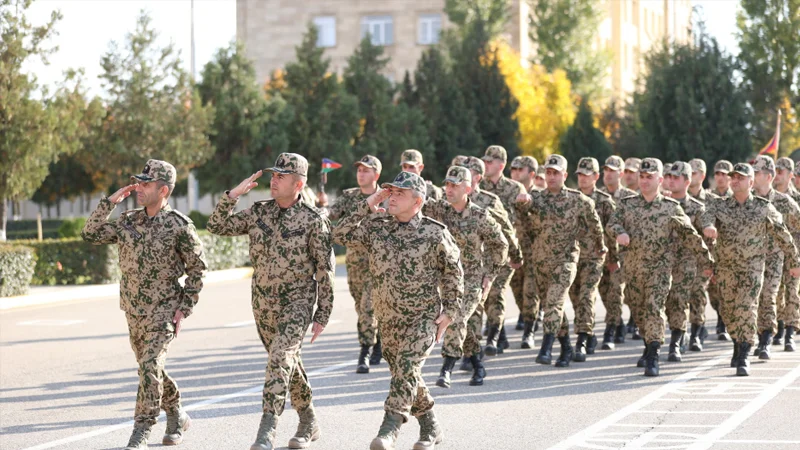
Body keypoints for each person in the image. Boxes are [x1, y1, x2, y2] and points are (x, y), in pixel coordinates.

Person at [207, 153, 334, 450]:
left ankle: (267, 429)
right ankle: (308, 420)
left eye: (281, 176)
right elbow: (217, 226)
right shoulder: (258, 212)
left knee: (279, 357)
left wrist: (322, 314)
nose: (273, 180)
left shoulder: (313, 221)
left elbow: (325, 271)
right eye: (273, 175)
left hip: (298, 302)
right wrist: (233, 195)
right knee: (285, 361)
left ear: (298, 184)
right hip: (263, 303)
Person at [333, 171, 464, 450]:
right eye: (390, 191)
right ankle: (431, 427)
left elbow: (454, 273)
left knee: (406, 366)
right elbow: (339, 232)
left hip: (422, 319)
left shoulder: (434, 232)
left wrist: (450, 311)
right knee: (406, 375)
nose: (392, 197)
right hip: (388, 319)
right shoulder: (377, 225)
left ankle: (389, 428)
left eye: (399, 193)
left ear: (417, 202)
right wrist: (370, 202)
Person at [81, 159, 206, 450]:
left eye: (146, 184)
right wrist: (109, 202)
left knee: (150, 365)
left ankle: (141, 430)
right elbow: (90, 233)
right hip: (133, 309)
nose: (139, 187)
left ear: (163, 190)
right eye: (139, 181)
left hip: (164, 310)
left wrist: (184, 308)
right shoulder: (128, 220)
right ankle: (176, 413)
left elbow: (198, 268)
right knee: (149, 370)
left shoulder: (179, 226)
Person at [607, 158, 713, 377]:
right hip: (634, 271)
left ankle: (653, 355)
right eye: (642, 177)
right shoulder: (627, 204)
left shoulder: (670, 208)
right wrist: (619, 232)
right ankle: (649, 344)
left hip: (660, 271)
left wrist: (707, 261)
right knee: (639, 311)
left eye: (650, 177)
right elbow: (611, 223)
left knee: (654, 308)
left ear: (660, 179)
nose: (645, 181)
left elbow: (690, 235)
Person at [702, 162, 800, 376]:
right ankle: (737, 342)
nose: (735, 180)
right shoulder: (720, 205)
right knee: (728, 310)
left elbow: (784, 235)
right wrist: (708, 227)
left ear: (750, 182)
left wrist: (794, 262)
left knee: (746, 308)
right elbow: (706, 216)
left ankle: (744, 353)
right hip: (726, 268)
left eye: (740, 177)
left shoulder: (763, 207)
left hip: (752, 268)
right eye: (733, 177)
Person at [515, 155, 607, 368]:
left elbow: (595, 224)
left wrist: (600, 246)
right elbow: (521, 215)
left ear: (564, 175)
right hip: (540, 263)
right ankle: (566, 346)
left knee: (555, 302)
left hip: (566, 261)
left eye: (556, 172)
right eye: (548, 172)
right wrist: (521, 202)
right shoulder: (536, 199)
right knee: (551, 306)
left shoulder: (578, 200)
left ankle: (546, 347)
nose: (551, 176)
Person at [423, 166, 508, 388]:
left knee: (456, 318)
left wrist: (490, 274)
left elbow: (500, 244)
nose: (449, 189)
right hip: (446, 279)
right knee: (464, 324)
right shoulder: (439, 210)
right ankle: (478, 365)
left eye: (454, 185)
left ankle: (447, 368)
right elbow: (414, 206)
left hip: (472, 279)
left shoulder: (480, 216)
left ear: (468, 188)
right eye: (447, 184)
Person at [317, 155, 383, 373]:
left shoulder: (387, 197)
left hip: (380, 265)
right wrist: (322, 209)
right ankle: (378, 339)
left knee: (367, 308)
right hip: (355, 264)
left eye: (366, 170)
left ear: (376, 174)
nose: (361, 173)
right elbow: (332, 213)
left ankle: (364, 352)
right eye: (359, 170)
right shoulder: (349, 196)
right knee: (361, 306)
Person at [458, 157, 521, 370]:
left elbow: (506, 228)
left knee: (494, 297)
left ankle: (494, 336)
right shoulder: (452, 201)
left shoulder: (489, 200)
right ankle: (470, 352)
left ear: (476, 177)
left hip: (493, 261)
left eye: (466, 172)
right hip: (468, 264)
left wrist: (516, 255)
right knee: (471, 308)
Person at [750, 155, 800, 359]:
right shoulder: (748, 198)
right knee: (763, 298)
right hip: (754, 258)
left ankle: (785, 333)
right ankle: (764, 333)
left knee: (789, 293)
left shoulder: (787, 201)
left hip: (784, 254)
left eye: (781, 172)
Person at [480, 145, 526, 355]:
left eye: (490, 162)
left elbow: (527, 217)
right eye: (485, 161)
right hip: (481, 252)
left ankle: (493, 338)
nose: (486, 165)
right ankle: (500, 334)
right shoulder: (479, 187)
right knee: (487, 296)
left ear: (501, 164)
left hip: (505, 250)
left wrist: (527, 200)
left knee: (497, 290)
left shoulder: (514, 188)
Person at [663, 162, 710, 359]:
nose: (671, 181)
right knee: (667, 302)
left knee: (684, 299)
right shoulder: (661, 205)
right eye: (669, 177)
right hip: (664, 263)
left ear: (687, 181)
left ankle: (680, 339)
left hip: (689, 263)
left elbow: (707, 238)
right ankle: (679, 333)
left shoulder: (698, 209)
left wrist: (708, 264)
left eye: (676, 178)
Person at [573, 157, 618, 356]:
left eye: (587, 174)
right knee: (575, 298)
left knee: (591, 297)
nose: (582, 178)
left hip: (597, 257)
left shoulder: (605, 201)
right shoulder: (572, 199)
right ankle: (589, 334)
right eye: (580, 174)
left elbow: (613, 232)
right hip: (573, 257)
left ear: (596, 177)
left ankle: (586, 338)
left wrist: (614, 258)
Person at [599, 155, 637, 346]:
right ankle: (619, 323)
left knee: (615, 291)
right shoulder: (598, 196)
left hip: (621, 256)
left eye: (612, 171)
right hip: (600, 255)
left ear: (620, 174)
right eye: (605, 170)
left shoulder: (630, 198)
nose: (608, 174)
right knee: (604, 292)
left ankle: (610, 330)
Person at [509, 155, 541, 343]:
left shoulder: (539, 196)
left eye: (520, 169)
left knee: (530, 292)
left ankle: (529, 330)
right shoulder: (508, 194)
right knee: (517, 291)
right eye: (513, 169)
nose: (515, 173)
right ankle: (527, 317)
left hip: (534, 252)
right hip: (514, 251)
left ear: (531, 174)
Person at [772, 157, 800, 348]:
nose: (777, 175)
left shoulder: (796, 199)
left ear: (790, 175)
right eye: (775, 171)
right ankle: (779, 327)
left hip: (794, 253)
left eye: (780, 172)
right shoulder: (769, 198)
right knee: (776, 293)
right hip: (773, 253)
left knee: (792, 292)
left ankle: (790, 331)